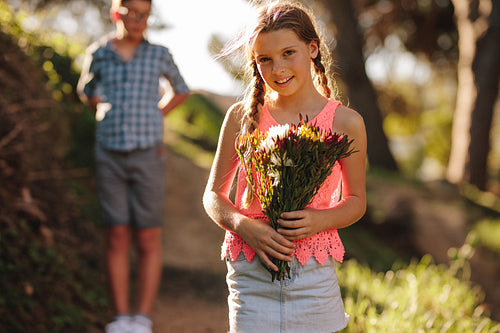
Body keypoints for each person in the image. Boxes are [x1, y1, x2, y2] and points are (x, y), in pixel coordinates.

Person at [203, 1, 367, 332]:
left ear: (313, 48)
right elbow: (213, 196)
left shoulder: (345, 122)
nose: (277, 68)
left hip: (314, 274)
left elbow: (356, 202)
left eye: (288, 53)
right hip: (250, 270)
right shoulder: (241, 117)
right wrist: (243, 225)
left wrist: (318, 219)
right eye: (265, 59)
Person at [77, 0, 189, 332]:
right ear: (117, 14)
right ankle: (121, 318)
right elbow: (87, 90)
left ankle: (142, 318)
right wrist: (101, 106)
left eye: (144, 14)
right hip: (108, 154)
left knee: (147, 237)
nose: (138, 20)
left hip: (147, 155)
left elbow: (181, 89)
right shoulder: (99, 53)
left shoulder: (159, 54)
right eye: (132, 13)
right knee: (116, 234)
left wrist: (156, 114)